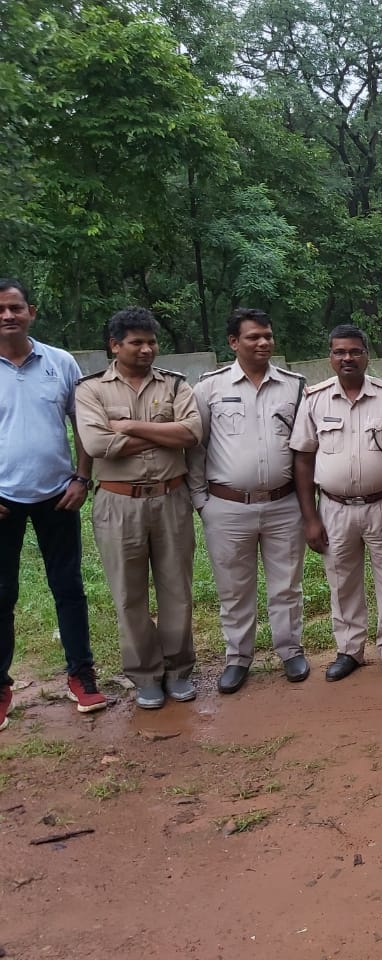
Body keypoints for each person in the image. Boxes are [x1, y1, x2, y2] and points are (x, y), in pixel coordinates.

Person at [75, 307, 201, 709]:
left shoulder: (176, 385)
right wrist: (165, 436)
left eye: (151, 341)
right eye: (137, 342)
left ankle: (179, 670)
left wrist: (128, 427)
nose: (147, 349)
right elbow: (95, 445)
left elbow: (192, 432)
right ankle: (145, 674)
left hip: (171, 499)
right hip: (118, 502)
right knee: (128, 593)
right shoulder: (91, 390)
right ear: (115, 345)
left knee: (176, 589)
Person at [189, 308, 309, 694]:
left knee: (287, 584)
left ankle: (290, 650)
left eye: (268, 336)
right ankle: (238, 657)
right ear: (233, 342)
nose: (263, 343)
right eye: (254, 336)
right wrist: (201, 500)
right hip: (226, 507)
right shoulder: (209, 387)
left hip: (283, 504)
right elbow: (195, 446)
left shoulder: (294, 386)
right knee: (233, 586)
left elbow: (305, 448)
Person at [0, 279, 103, 726]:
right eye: (0, 309)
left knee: (69, 589)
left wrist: (83, 477)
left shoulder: (60, 362)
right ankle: (1, 687)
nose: (8, 315)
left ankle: (81, 675)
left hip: (59, 495)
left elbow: (83, 423)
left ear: (32, 312)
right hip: (2, 499)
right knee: (2, 594)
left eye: (15, 307)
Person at [291, 325, 382, 682]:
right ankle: (349, 649)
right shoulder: (315, 399)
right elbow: (304, 460)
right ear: (330, 357)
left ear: (367, 355)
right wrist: (310, 517)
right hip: (334, 507)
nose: (347, 358)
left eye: (354, 351)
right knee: (341, 581)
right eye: (339, 352)